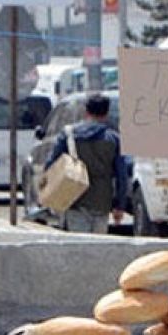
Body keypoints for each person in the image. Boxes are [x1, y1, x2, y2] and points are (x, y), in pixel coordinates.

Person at [43, 93, 128, 233]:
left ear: (86, 111)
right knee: (99, 248)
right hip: (102, 203)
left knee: (78, 247)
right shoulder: (113, 139)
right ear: (106, 113)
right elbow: (121, 176)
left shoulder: (69, 135)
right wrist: (119, 206)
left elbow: (50, 164)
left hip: (74, 199)